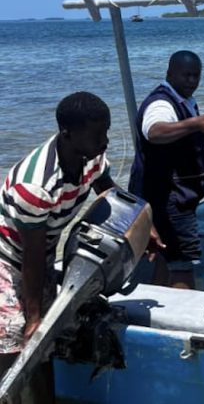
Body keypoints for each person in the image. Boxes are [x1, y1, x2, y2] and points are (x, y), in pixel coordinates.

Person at [0, 92, 138, 404]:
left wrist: (140, 223)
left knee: (41, 345)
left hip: (42, 253)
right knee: (13, 341)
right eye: (97, 135)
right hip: (8, 257)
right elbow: (32, 257)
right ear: (67, 134)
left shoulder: (91, 156)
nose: (105, 141)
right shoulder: (34, 186)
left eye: (106, 131)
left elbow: (107, 190)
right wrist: (33, 316)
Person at [128, 50, 204, 289]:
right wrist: (197, 121)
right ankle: (184, 308)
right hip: (169, 200)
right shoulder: (161, 103)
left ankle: (162, 299)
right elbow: (154, 132)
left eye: (196, 76)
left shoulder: (185, 101)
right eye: (186, 75)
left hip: (167, 198)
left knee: (166, 257)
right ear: (169, 74)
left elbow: (191, 134)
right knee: (183, 265)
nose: (192, 81)